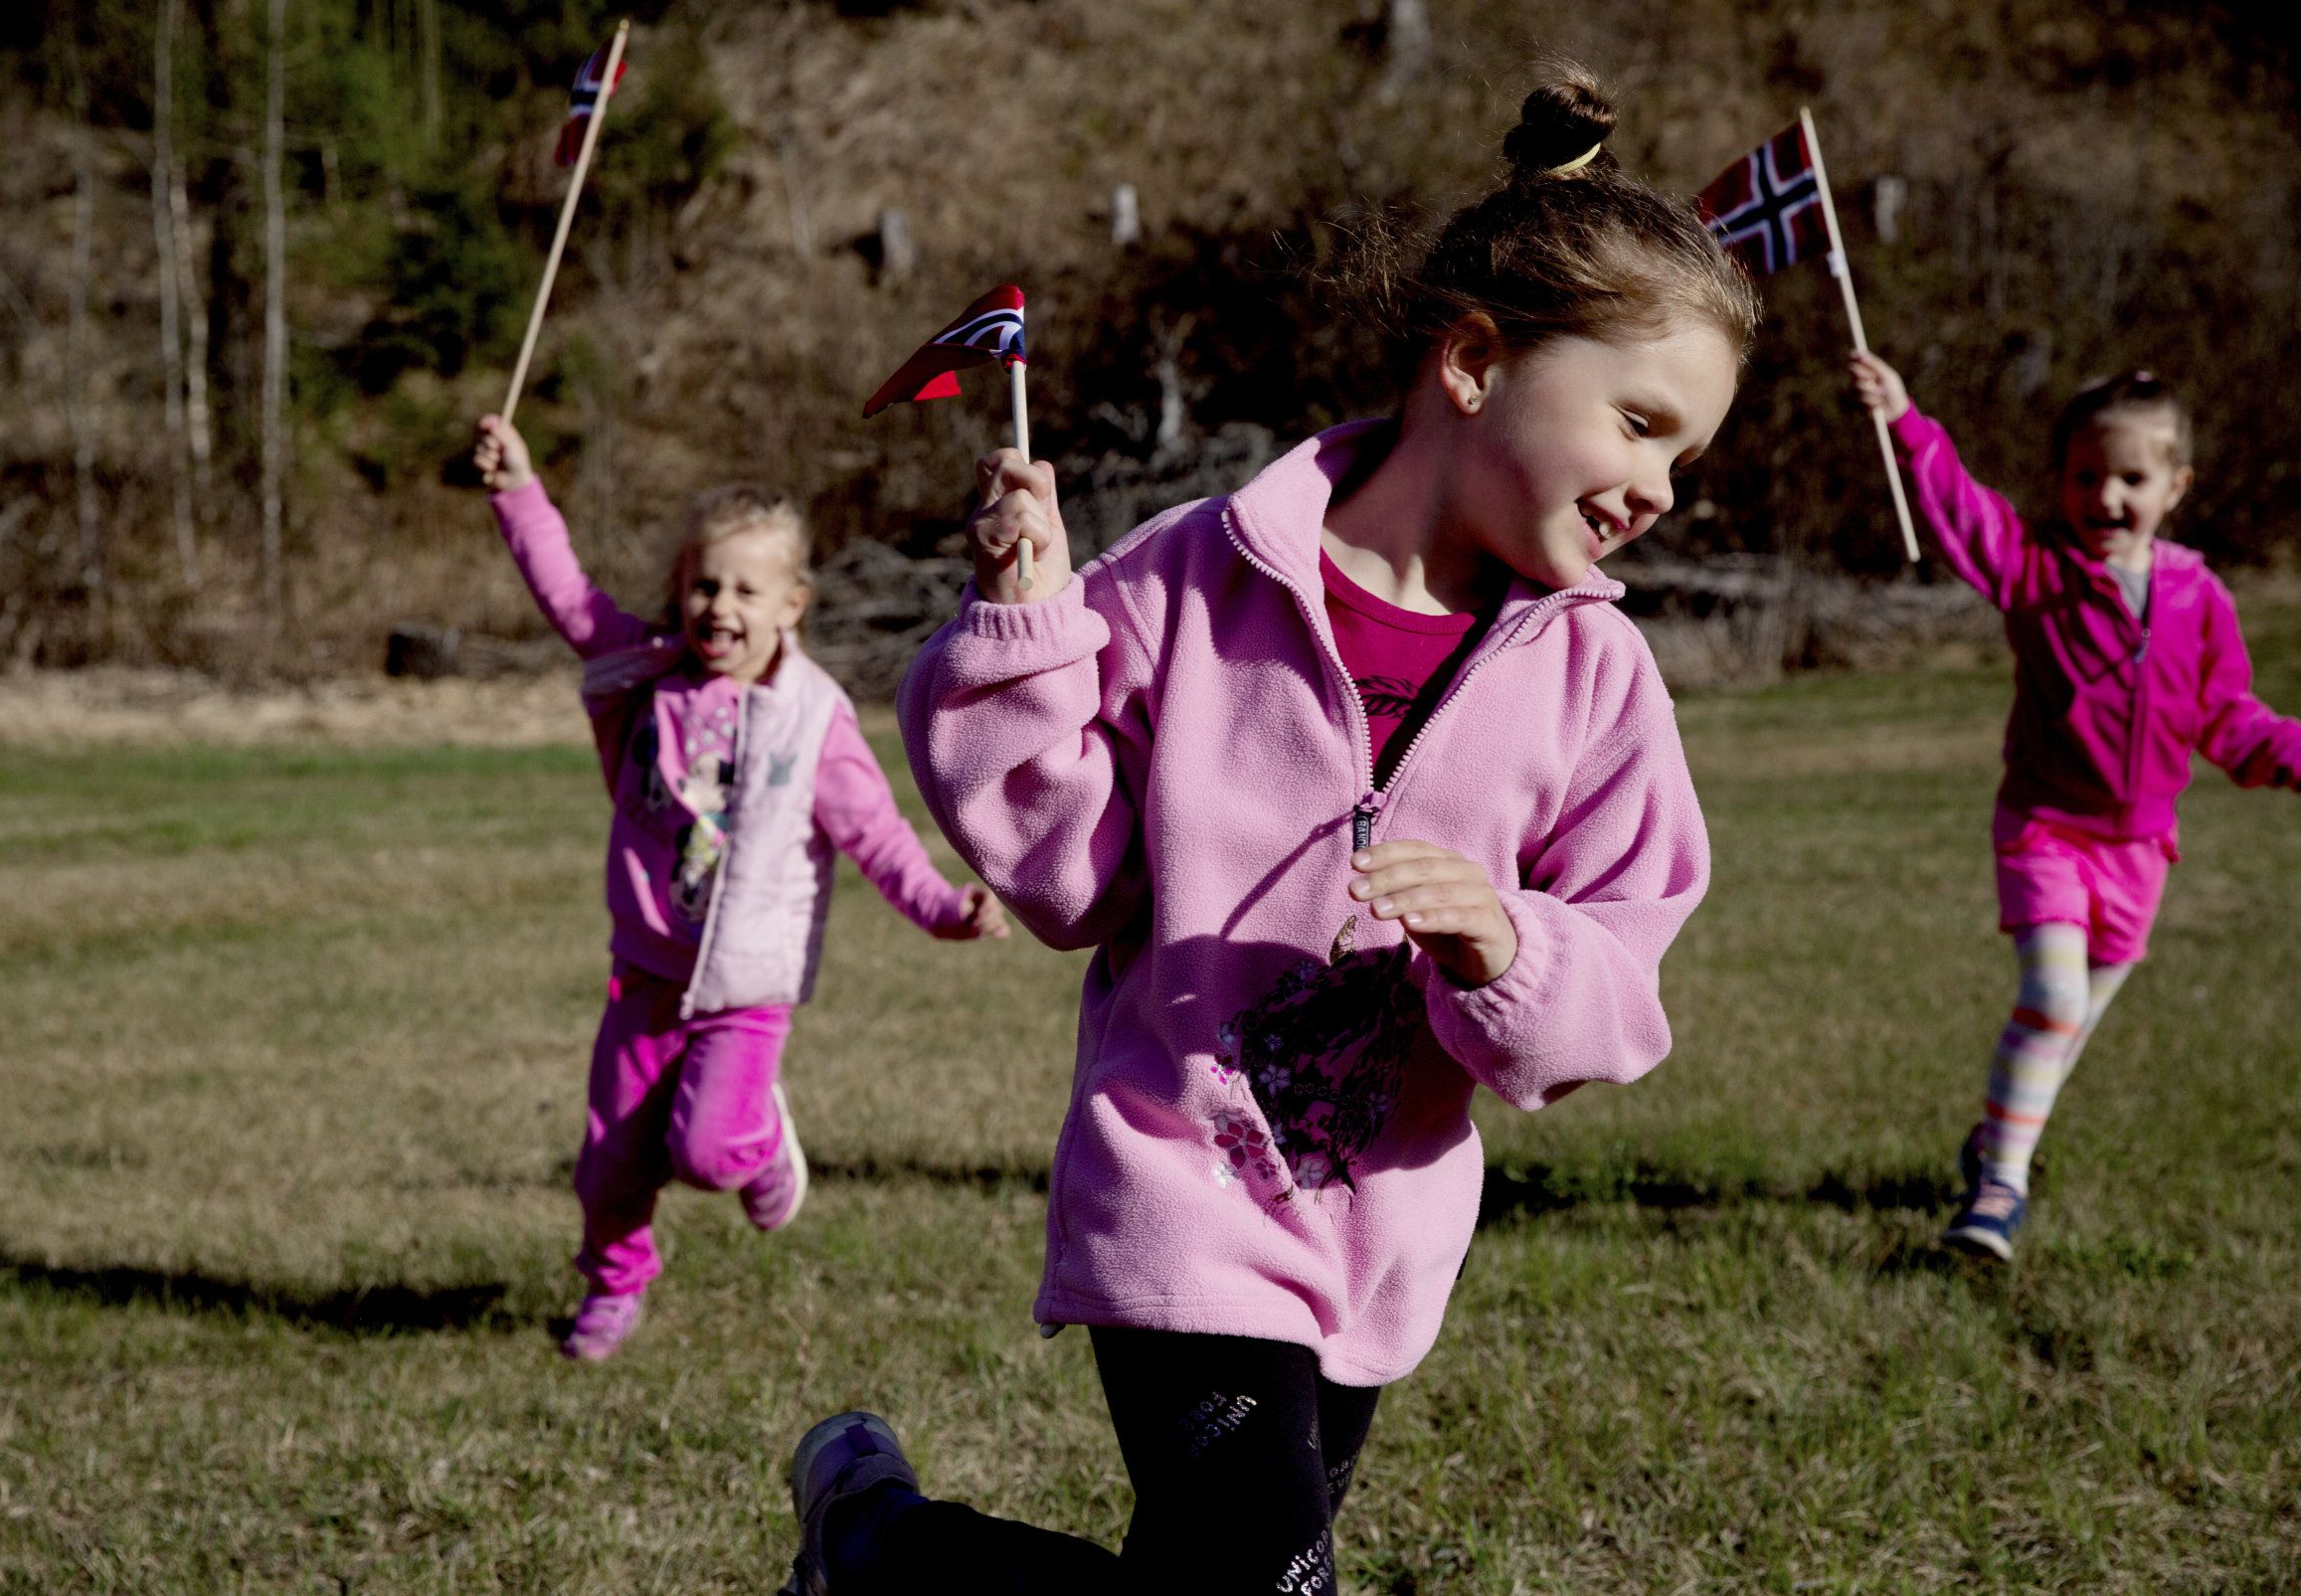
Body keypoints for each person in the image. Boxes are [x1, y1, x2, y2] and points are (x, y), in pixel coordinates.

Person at [778, 68, 1757, 1593]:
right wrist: (1027, 632)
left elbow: (1621, 979)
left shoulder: (1596, 676)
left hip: (1380, 1235)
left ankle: (881, 1550)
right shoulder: (1192, 575)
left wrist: (1511, 944)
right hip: (1179, 1187)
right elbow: (1070, 875)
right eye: (1641, 425)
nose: (1659, 487)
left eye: (1684, 458)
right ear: (1481, 361)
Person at [469, 415, 1009, 1362]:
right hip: (644, 978)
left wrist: (941, 906)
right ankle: (612, 1283)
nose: (720, 605)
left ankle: (761, 1139)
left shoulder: (813, 721)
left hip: (745, 987)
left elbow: (876, 834)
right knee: (611, 1163)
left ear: (792, 604)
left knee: (708, 1153)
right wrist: (517, 484)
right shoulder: (650, 680)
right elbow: (565, 591)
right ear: (680, 590)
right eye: (703, 583)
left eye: (746, 589)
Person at [1848, 353, 2301, 1262]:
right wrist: (1907, 423)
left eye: (2130, 478)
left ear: (2176, 487)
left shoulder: (2199, 598)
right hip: (2045, 830)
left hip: (2140, 852)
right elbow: (1965, 516)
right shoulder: (2036, 572)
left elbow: (2228, 717)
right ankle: (1999, 1193)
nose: (2104, 497)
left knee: (2067, 1030)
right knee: (2051, 1000)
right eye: (2084, 476)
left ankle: (1992, 1142)